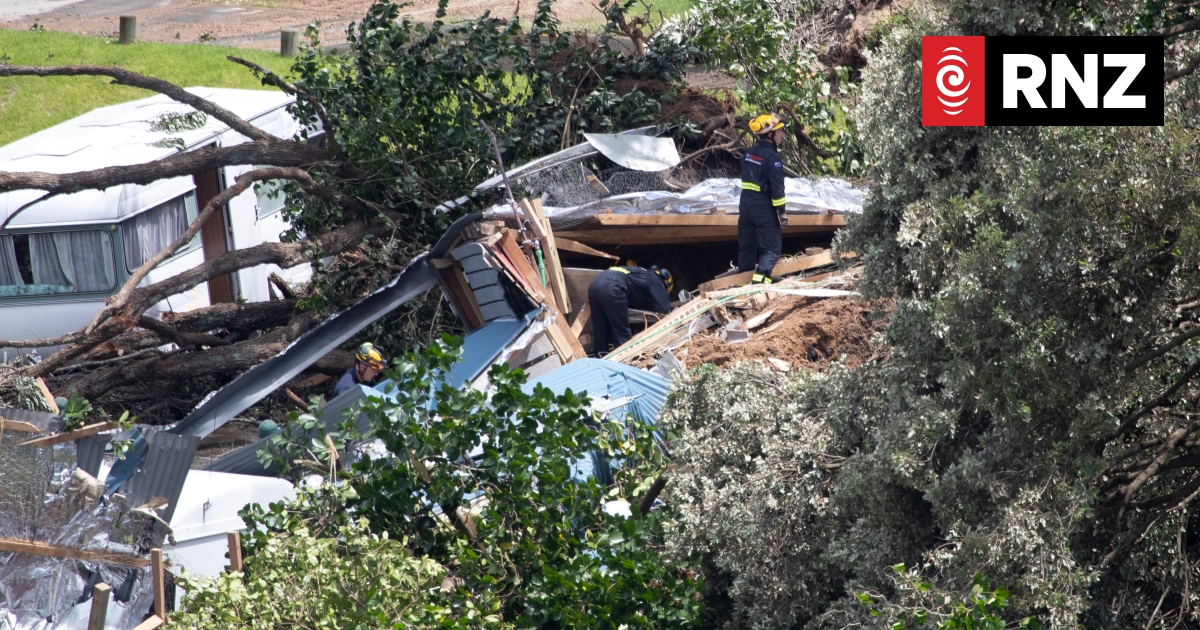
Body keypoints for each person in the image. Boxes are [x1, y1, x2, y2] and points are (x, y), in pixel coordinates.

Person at [738, 113, 789, 284]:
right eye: (779, 131)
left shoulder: (748, 153)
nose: (781, 134)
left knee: (747, 247)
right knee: (772, 249)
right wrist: (782, 213)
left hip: (745, 206)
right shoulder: (772, 158)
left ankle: (742, 283)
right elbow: (777, 189)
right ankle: (760, 285)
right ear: (770, 135)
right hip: (762, 207)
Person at [588, 265, 672, 355]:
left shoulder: (640, 272)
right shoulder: (656, 279)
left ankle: (600, 357)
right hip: (613, 288)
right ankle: (623, 358)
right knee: (621, 331)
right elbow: (663, 308)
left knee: (600, 328)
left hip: (593, 285)